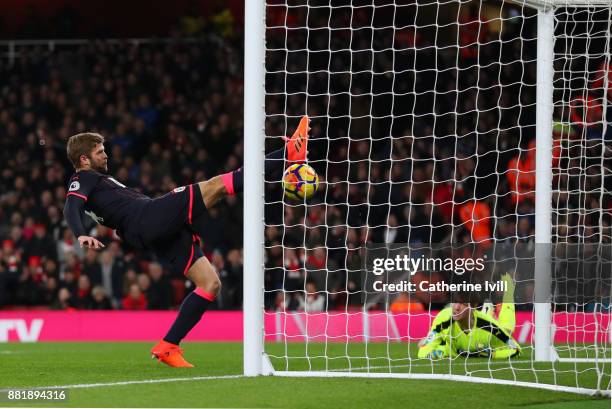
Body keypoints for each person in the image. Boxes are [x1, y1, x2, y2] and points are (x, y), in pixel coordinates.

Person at [63, 116, 310, 367]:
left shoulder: (95, 181)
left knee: (210, 284)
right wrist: (80, 233)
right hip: (147, 218)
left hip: (146, 229)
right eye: (100, 152)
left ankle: (169, 345)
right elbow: (71, 207)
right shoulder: (82, 178)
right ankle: (289, 153)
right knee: (218, 185)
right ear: (84, 159)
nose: (106, 155)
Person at [418, 273, 520, 360]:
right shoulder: (444, 319)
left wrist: (490, 354)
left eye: (462, 304)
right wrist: (437, 352)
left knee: (507, 331)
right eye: (454, 302)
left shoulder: (488, 326)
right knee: (427, 342)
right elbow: (423, 351)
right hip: (452, 340)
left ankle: (508, 294)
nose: (456, 307)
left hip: (481, 324)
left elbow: (515, 349)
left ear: (473, 307)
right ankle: (487, 310)